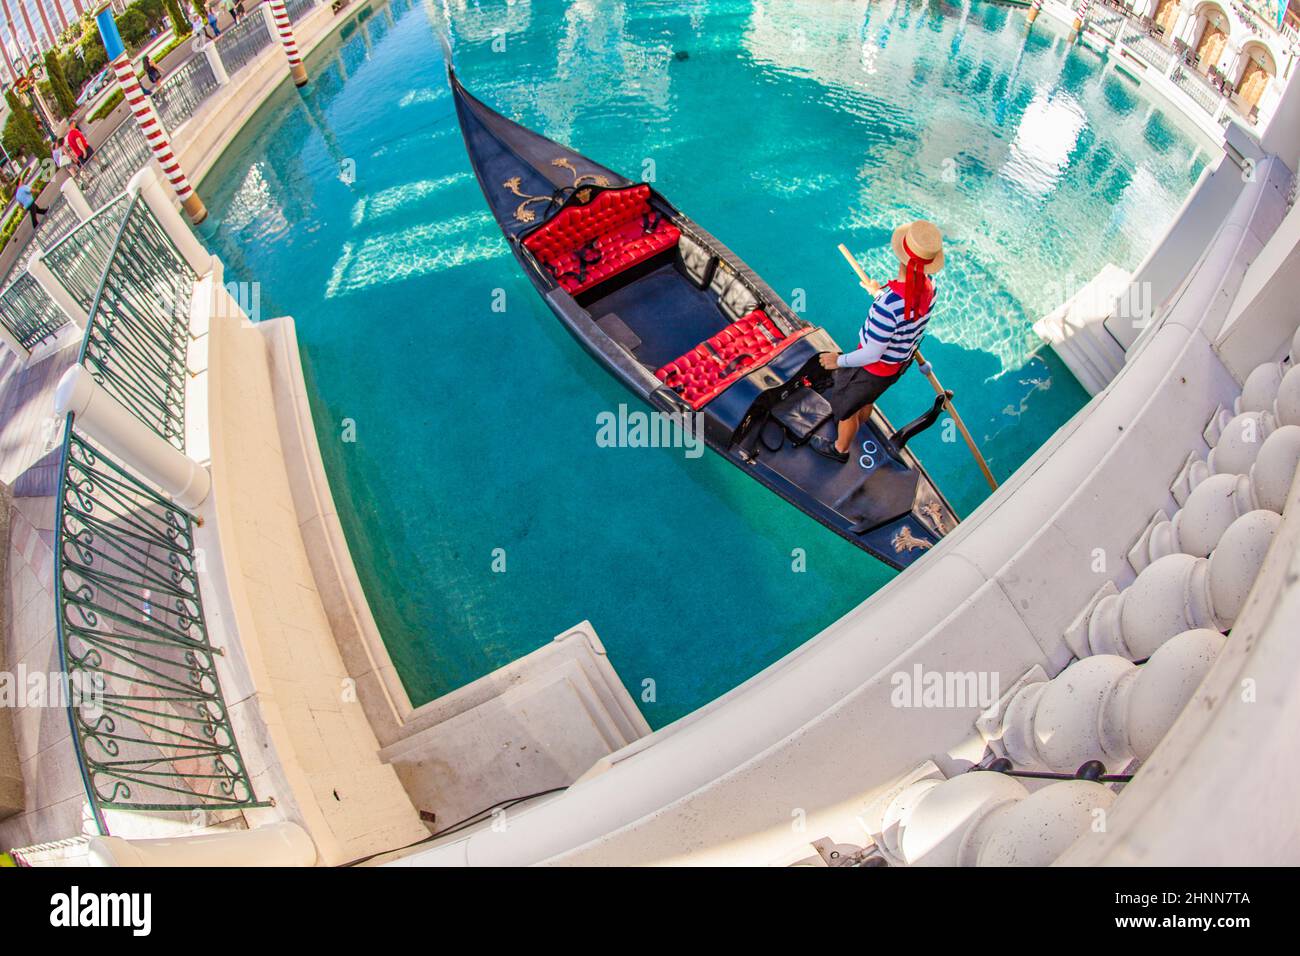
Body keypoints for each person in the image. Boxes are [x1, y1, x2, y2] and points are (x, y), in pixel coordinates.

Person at [809, 219, 944, 464]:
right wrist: (878, 291)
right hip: (895, 368)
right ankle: (857, 422)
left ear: (901, 256)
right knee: (866, 400)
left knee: (845, 410)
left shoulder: (888, 305)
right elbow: (907, 308)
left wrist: (838, 361)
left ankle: (840, 449)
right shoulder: (931, 288)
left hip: (871, 369)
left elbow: (871, 353)